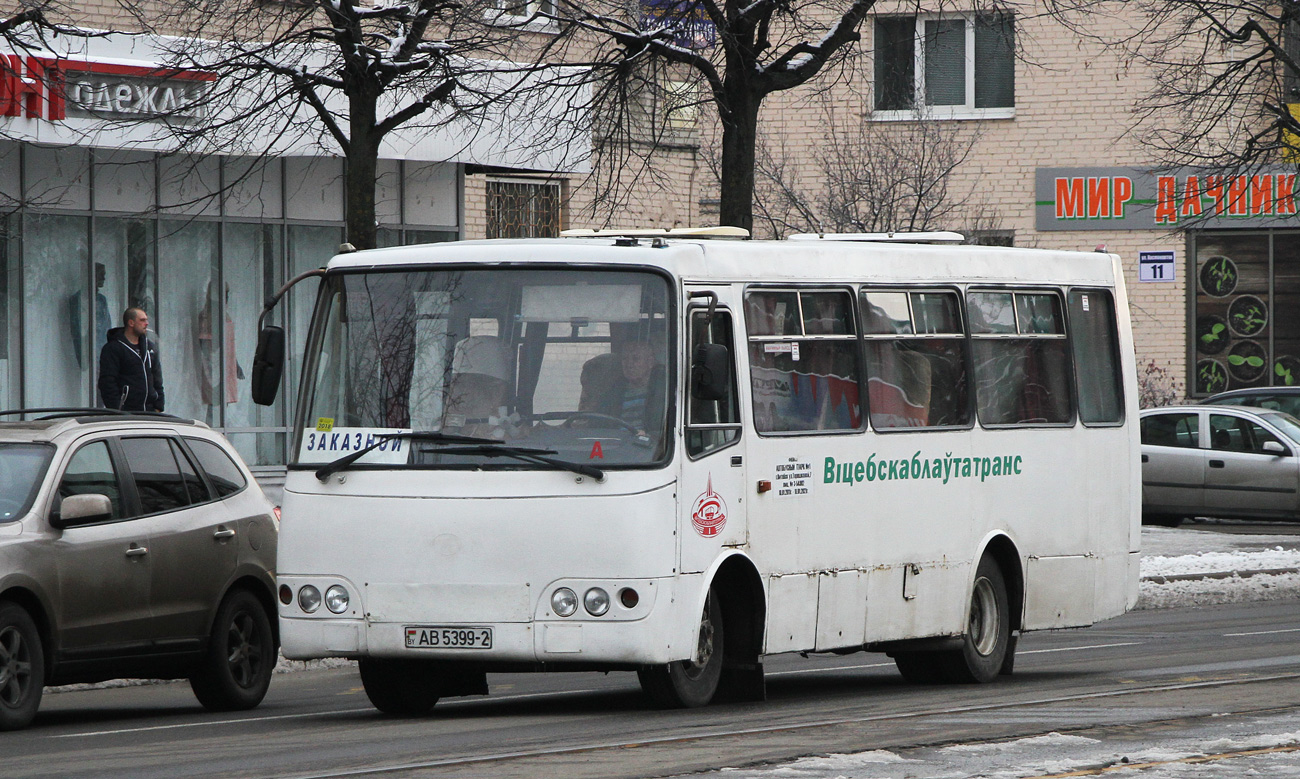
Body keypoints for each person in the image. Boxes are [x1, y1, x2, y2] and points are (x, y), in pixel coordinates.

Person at [579, 337, 666, 435]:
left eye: (635, 359)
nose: (629, 364)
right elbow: (599, 427)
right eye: (625, 359)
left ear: (650, 362)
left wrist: (650, 435)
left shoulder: (663, 394)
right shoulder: (612, 394)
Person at [441, 335, 523, 440]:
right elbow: (446, 429)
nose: (465, 392)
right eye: (460, 385)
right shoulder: (455, 401)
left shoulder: (508, 428)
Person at [98, 308, 165, 412]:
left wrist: (158, 406)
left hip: (150, 411)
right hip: (127, 412)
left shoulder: (149, 348)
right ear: (131, 323)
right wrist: (117, 409)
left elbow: (157, 378)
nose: (146, 324)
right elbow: (107, 382)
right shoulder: (113, 348)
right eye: (142, 320)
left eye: (146, 320)